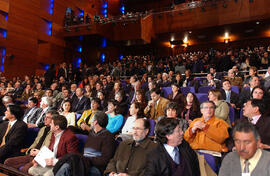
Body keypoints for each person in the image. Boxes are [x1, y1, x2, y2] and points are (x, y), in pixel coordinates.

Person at [53, 111, 117, 176]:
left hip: (96, 168)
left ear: (95, 122)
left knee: (68, 167)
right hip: (85, 162)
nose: (90, 122)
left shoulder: (108, 137)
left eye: (92, 119)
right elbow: (85, 152)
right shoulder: (92, 133)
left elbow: (104, 160)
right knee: (67, 164)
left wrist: (86, 160)